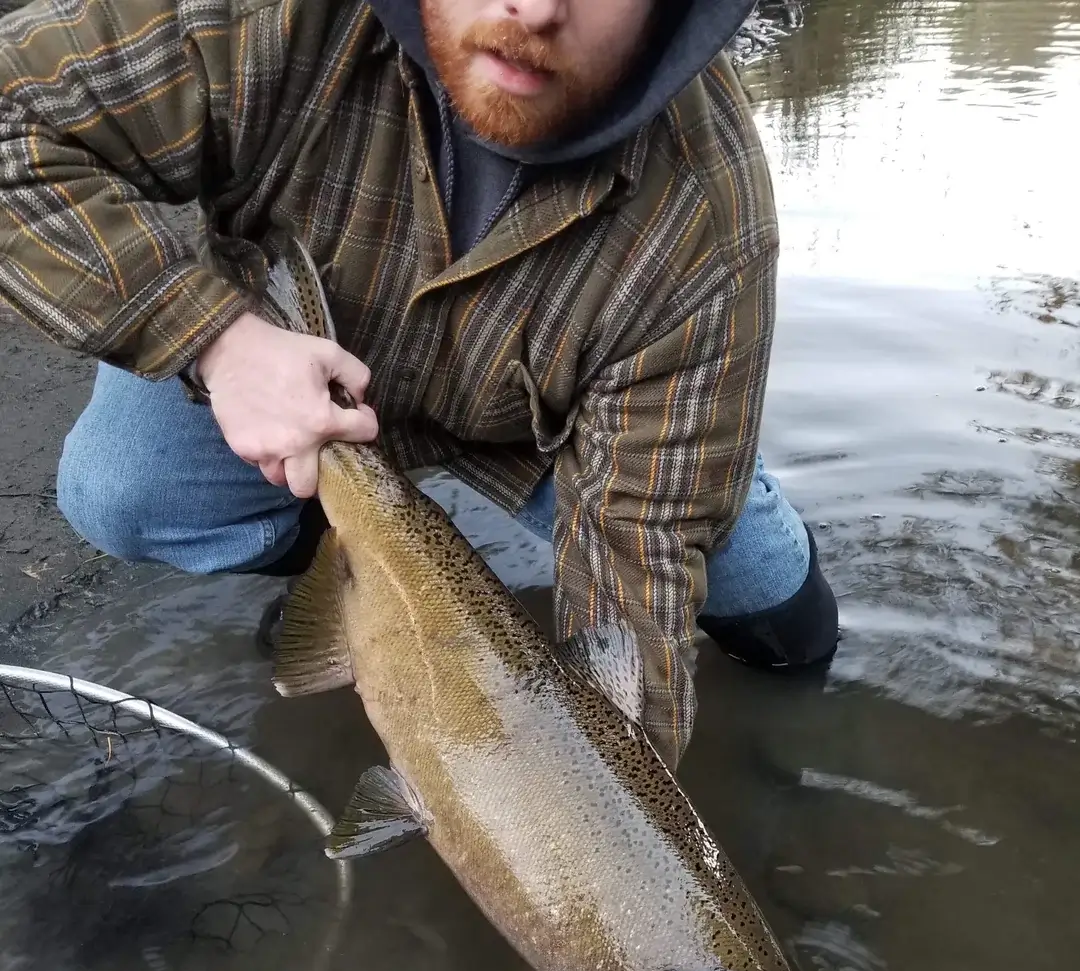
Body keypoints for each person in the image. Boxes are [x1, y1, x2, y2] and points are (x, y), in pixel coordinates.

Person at [0, 0, 838, 770]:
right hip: (294, 383)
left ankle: (389, 573)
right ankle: (350, 578)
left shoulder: (708, 214)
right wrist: (215, 340)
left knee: (789, 629)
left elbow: (636, 588)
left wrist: (598, 777)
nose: (537, 9)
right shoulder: (273, 17)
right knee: (123, 487)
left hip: (564, 433)